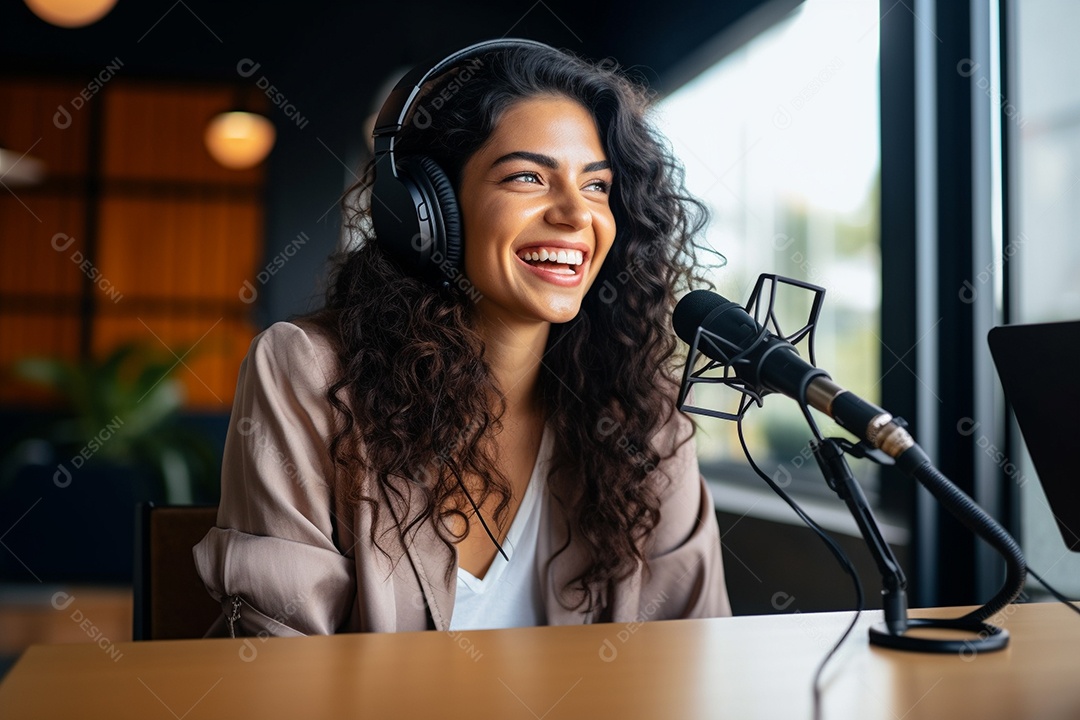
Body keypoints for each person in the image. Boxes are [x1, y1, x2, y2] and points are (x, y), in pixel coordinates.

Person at [194, 40, 731, 637]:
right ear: (428, 212)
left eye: (598, 186)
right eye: (528, 176)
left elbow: (695, 651)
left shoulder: (645, 416)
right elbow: (279, 667)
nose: (576, 215)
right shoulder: (309, 375)